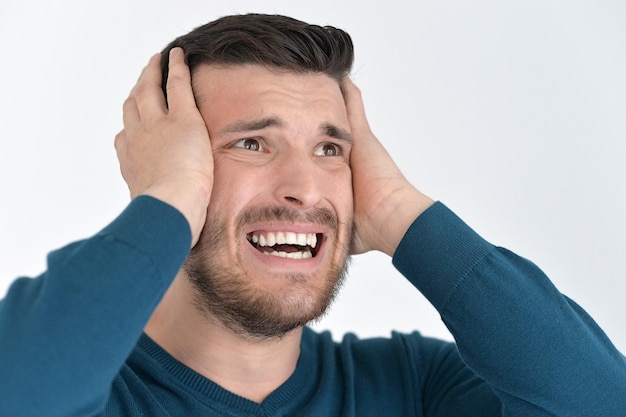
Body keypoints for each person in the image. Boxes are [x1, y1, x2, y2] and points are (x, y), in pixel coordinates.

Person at [1, 13, 624, 417]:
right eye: (251, 143)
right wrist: (167, 196)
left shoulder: (414, 389)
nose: (304, 187)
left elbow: (600, 403)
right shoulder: (100, 391)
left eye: (330, 149)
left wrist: (397, 209)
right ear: (170, 159)